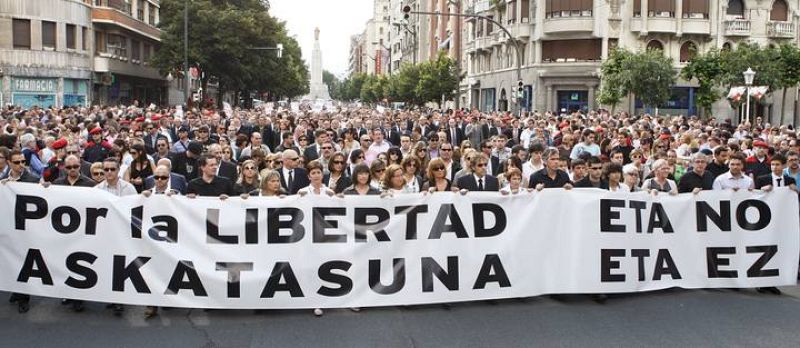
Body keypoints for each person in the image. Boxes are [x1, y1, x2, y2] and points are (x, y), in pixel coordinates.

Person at [94, 157, 136, 315]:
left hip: (123, 234)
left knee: (121, 266)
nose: (109, 172)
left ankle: (120, 300)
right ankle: (111, 297)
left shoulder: (129, 188)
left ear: (118, 171)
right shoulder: (97, 189)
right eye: (106, 170)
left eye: (112, 169)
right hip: (105, 234)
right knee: (107, 265)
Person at [0, 150, 40, 313]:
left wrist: (45, 188)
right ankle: (16, 290)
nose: (21, 165)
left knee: (25, 262)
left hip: (26, 228)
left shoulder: (33, 180)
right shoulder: (3, 182)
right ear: (9, 163)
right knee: (10, 260)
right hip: (8, 227)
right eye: (17, 162)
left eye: (23, 161)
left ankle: (24, 297)